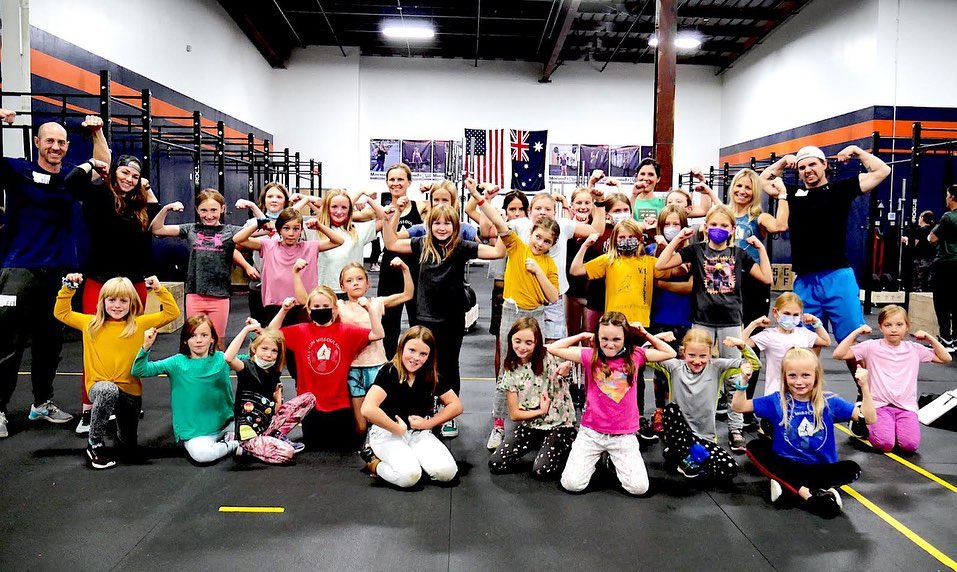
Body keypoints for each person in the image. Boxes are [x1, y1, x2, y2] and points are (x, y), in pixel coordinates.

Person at [380, 198, 504, 438]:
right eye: (436, 223)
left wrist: (499, 222)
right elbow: (391, 242)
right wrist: (390, 217)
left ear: (455, 226)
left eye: (447, 223)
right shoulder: (421, 244)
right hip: (425, 317)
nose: (442, 227)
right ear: (430, 224)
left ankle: (449, 415)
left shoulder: (461, 247)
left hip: (452, 319)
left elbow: (498, 251)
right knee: (422, 364)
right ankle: (425, 409)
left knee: (448, 366)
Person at [0, 110, 89, 438]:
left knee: (50, 342)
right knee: (8, 343)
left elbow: (104, 166)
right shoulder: (18, 170)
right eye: (49, 140)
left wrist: (96, 133)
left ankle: (42, 403)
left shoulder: (70, 178)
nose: (56, 146)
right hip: (19, 267)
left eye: (62, 142)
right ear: (37, 142)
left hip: (59, 271)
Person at [656, 204, 773, 452]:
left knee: (734, 376)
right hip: (702, 321)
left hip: (731, 321)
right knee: (699, 375)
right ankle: (694, 427)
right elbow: (660, 265)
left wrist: (761, 248)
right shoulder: (695, 251)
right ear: (706, 227)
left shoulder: (740, 254)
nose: (718, 230)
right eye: (714, 225)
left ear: (732, 230)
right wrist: (678, 238)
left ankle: (735, 428)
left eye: (724, 226)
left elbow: (766, 278)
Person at [73, 115, 162, 434]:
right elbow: (74, 182)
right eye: (124, 172)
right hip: (100, 282)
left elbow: (154, 216)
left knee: (130, 344)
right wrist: (96, 141)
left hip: (134, 284)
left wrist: (146, 187)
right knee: (95, 344)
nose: (128, 178)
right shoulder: (99, 197)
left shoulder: (139, 205)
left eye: (135, 175)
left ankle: (124, 401)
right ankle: (89, 408)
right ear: (112, 173)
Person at [760, 145, 890, 348]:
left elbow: (882, 171)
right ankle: (809, 381)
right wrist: (784, 161)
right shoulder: (793, 193)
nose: (807, 170)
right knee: (805, 345)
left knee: (851, 343)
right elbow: (764, 180)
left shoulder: (841, 190)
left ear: (824, 164)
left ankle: (864, 381)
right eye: (802, 167)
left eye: (812, 164)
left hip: (837, 276)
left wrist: (857, 151)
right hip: (805, 280)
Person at [467, 179, 559, 450]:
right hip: (512, 311)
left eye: (546, 242)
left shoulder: (548, 264)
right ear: (531, 232)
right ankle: (498, 424)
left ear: (552, 245)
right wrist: (477, 195)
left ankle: (532, 418)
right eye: (538, 237)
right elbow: (497, 221)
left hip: (537, 314)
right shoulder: (517, 246)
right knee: (508, 367)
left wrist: (538, 271)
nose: (540, 243)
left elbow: (552, 296)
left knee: (535, 368)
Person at [53, 274, 180, 469]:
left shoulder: (139, 324)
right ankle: (94, 443)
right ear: (102, 302)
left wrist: (158, 288)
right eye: (111, 300)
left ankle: (123, 439)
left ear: (132, 303)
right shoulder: (90, 324)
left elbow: (172, 313)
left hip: (131, 392)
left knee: (128, 447)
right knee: (107, 390)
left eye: (123, 300)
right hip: (99, 386)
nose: (117, 305)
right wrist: (69, 287)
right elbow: (61, 312)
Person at [731, 348, 876, 518]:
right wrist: (743, 381)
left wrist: (864, 387)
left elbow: (869, 418)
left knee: (852, 469)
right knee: (756, 446)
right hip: (788, 464)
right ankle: (808, 493)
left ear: (816, 376)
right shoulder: (776, 401)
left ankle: (788, 486)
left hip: (820, 467)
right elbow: (739, 407)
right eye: (792, 376)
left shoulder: (830, 402)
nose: (799, 382)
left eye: (805, 375)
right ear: (785, 377)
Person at [547, 312, 676, 495]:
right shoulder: (590, 355)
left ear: (625, 338)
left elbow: (670, 352)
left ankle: (612, 461)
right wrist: (582, 336)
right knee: (572, 484)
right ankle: (597, 459)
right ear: (597, 338)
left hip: (623, 435)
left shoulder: (635, 356)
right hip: (592, 432)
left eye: (616, 339)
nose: (610, 344)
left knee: (639, 488)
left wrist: (645, 334)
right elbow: (554, 348)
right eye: (604, 339)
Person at [294, 260, 413, 442]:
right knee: (360, 424)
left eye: (359, 279)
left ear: (368, 283)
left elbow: (408, 294)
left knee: (380, 414)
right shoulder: (339, 306)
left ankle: (383, 445)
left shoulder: (377, 302)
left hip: (377, 366)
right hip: (353, 368)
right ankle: (362, 447)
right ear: (342, 286)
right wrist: (296, 273)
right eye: (349, 281)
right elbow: (306, 300)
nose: (355, 283)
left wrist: (405, 269)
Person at [268, 285, 383, 451]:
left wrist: (369, 309)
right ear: (308, 310)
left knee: (343, 448)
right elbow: (270, 333)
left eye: (325, 306)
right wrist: (284, 310)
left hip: (340, 404)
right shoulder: (300, 331)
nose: (321, 309)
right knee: (315, 447)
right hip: (311, 407)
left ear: (335, 309)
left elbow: (378, 334)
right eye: (316, 307)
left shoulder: (346, 332)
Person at [832, 305, 951, 453]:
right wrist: (857, 332)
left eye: (899, 325)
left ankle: (890, 426)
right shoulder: (871, 347)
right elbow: (838, 354)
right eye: (888, 325)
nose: (893, 329)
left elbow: (945, 358)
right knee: (884, 444)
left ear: (907, 327)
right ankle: (862, 420)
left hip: (906, 407)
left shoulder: (914, 349)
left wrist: (930, 338)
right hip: (879, 406)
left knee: (909, 446)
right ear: (881, 328)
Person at [649, 330, 759, 482]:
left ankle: (681, 455)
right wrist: (656, 337)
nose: (697, 361)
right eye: (691, 355)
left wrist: (742, 346)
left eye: (703, 356)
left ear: (710, 353)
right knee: (671, 410)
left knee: (730, 469)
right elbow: (642, 356)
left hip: (704, 438)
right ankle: (682, 453)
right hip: (679, 434)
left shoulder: (718, 367)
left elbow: (755, 364)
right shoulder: (674, 367)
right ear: (684, 352)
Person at [360, 326, 463, 488]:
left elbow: (456, 405)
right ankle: (375, 464)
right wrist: (396, 428)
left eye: (423, 354)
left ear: (429, 356)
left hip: (418, 432)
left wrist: (429, 423)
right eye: (412, 350)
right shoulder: (390, 372)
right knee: (409, 477)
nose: (416, 358)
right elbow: (367, 409)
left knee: (447, 473)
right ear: (402, 348)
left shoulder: (430, 374)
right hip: (387, 433)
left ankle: (412, 459)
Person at [150, 189, 257, 343]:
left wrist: (252, 206)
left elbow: (267, 227)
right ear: (197, 210)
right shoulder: (191, 229)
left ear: (222, 209)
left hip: (220, 296)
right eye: (204, 210)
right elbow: (157, 229)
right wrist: (166, 208)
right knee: (195, 339)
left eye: (214, 210)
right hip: (195, 293)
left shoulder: (230, 231)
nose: (209, 215)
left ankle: (218, 368)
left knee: (217, 341)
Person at [131, 317, 237, 464]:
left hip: (227, 423)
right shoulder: (176, 362)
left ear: (212, 339)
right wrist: (146, 347)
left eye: (204, 335)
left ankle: (231, 439)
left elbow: (255, 360)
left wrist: (254, 334)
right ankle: (234, 445)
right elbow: (140, 371)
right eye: (193, 336)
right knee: (202, 455)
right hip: (196, 434)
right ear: (185, 341)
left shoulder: (223, 359)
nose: (199, 340)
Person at [488, 317, 577, 480]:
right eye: (518, 341)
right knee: (496, 463)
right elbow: (515, 415)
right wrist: (541, 411)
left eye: (528, 342)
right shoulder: (511, 370)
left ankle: (568, 442)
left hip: (558, 424)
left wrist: (568, 364)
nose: (522, 347)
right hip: (532, 424)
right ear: (511, 340)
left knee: (542, 471)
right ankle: (543, 444)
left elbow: (567, 350)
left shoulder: (547, 355)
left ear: (536, 343)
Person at [224, 319, 316, 464]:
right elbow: (228, 358)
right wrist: (246, 331)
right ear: (254, 349)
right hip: (250, 434)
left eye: (274, 351)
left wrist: (278, 400)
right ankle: (246, 448)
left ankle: (274, 437)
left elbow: (276, 408)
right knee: (288, 453)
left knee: (309, 398)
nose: (269, 354)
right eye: (264, 349)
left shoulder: (273, 371)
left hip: (267, 425)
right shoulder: (247, 367)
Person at [234, 182, 312, 325]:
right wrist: (247, 267)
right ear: (264, 200)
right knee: (261, 326)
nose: (274, 200)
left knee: (292, 325)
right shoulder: (253, 223)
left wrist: (306, 200)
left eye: (279, 196)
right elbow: (235, 246)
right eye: (270, 196)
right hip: (262, 282)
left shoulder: (296, 223)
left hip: (292, 281)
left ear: (285, 201)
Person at [377, 164, 426, 358]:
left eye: (400, 179)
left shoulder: (421, 207)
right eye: (392, 180)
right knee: (389, 324)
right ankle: (388, 367)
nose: (396, 183)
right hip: (390, 272)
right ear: (387, 183)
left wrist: (430, 190)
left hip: (414, 271)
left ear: (409, 182)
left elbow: (447, 202)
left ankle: (419, 363)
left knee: (417, 320)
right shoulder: (383, 210)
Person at [742, 292, 830, 399]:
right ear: (775, 312)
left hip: (800, 392)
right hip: (775, 393)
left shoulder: (804, 333)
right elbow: (741, 342)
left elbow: (826, 341)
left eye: (796, 315)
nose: (791, 318)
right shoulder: (769, 335)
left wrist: (816, 323)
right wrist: (754, 324)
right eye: (787, 313)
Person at [928, 184, 957, 351]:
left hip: (946, 264)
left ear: (952, 197)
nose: (945, 198)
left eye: (947, 195)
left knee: (942, 302)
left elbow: (932, 238)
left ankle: (946, 339)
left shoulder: (948, 217)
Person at [903, 210, 936, 292]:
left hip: (920, 261)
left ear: (922, 218)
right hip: (931, 260)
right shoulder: (933, 230)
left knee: (918, 284)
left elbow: (914, 244)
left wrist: (906, 240)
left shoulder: (920, 230)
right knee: (928, 284)